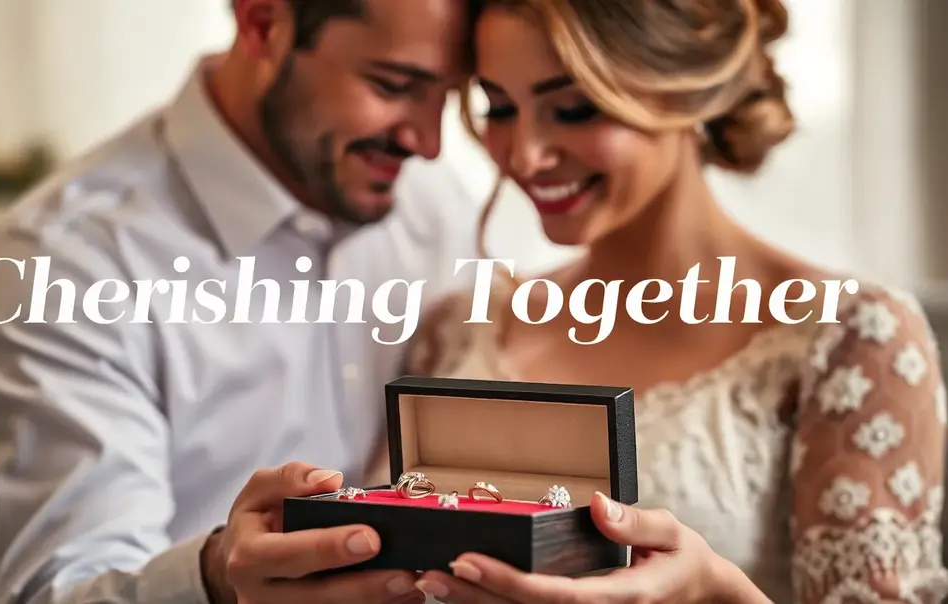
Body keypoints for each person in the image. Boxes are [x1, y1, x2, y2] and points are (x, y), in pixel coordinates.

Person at [392, 0, 948, 602]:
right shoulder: (457, 328)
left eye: (574, 108)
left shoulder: (847, 336)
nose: (524, 155)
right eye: (499, 107)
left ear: (685, 91)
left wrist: (715, 592)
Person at [0, 1, 484, 603]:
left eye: (452, 95)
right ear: (262, 25)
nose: (430, 142)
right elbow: (55, 591)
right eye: (393, 85)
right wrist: (214, 578)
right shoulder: (61, 263)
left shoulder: (435, 210)